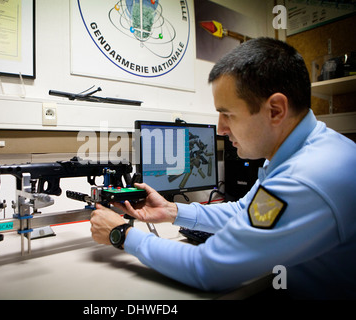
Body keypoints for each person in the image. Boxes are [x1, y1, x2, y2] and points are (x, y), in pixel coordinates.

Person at [90, 37, 356, 299]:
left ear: (275, 110)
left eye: (227, 114)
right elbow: (246, 212)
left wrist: (122, 234)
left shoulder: (305, 179)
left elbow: (207, 268)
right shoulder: (303, 151)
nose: (220, 129)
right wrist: (172, 211)